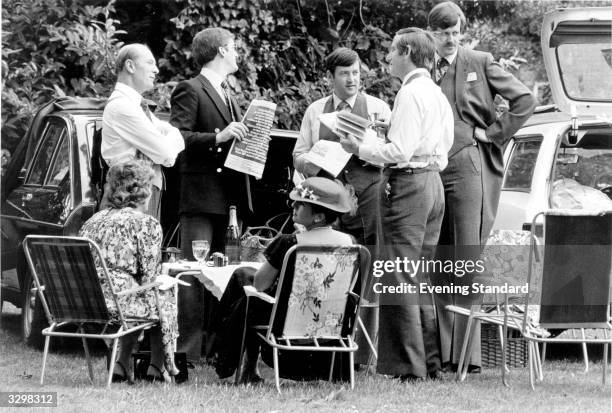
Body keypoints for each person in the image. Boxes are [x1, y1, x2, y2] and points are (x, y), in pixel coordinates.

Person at [427, 1, 537, 373]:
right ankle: (441, 353)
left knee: (467, 256)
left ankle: (467, 357)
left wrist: (493, 134)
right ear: (431, 34)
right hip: (431, 171)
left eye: (455, 32)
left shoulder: (479, 60)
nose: (450, 39)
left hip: (470, 165)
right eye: (443, 33)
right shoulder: (423, 67)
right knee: (438, 260)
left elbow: (526, 100)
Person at [339, 27, 453, 380]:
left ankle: (408, 365)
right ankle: (429, 362)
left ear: (405, 51)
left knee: (399, 273)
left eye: (390, 50)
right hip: (433, 182)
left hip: (408, 185)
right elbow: (443, 143)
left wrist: (358, 147)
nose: (386, 57)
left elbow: (399, 151)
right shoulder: (434, 92)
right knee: (419, 275)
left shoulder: (409, 93)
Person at [292, 47, 391, 365]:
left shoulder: (378, 109)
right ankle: (318, 347)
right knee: (325, 268)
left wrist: (361, 148)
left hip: (368, 202)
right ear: (331, 77)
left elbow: (390, 153)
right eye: (345, 73)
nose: (352, 79)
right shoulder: (315, 110)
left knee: (368, 269)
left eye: (356, 73)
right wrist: (312, 161)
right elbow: (298, 154)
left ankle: (362, 354)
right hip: (327, 205)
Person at [212, 177, 357, 383]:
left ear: (318, 217)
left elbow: (260, 285)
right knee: (245, 279)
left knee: (248, 295)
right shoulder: (350, 244)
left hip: (285, 325)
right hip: (331, 324)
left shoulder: (289, 243)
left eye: (301, 204)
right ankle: (246, 369)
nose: (294, 206)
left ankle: (237, 363)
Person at [169, 27, 251, 365]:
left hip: (226, 196)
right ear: (220, 50)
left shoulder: (227, 93)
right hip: (200, 195)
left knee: (224, 275)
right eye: (233, 48)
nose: (237, 54)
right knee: (192, 273)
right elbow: (179, 137)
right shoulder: (190, 88)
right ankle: (186, 351)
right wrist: (220, 137)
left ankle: (217, 349)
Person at [79, 160, 179, 383]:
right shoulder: (146, 223)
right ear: (145, 190)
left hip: (86, 301)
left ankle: (122, 365)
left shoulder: (93, 221)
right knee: (162, 291)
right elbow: (149, 277)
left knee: (138, 293)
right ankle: (160, 366)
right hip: (117, 303)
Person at [102, 43, 185, 219]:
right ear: (130, 66)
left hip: (141, 191)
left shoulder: (136, 105)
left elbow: (173, 134)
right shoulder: (122, 106)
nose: (156, 70)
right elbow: (166, 153)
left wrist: (169, 137)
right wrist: (169, 140)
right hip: (128, 195)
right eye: (149, 63)